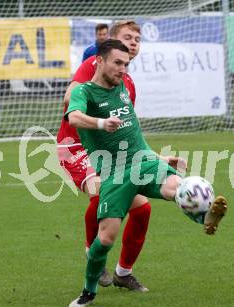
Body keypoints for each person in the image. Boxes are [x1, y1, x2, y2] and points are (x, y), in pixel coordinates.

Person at [65, 39, 228, 307]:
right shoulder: (86, 92)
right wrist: (101, 123)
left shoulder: (124, 88)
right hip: (114, 174)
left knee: (179, 185)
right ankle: (88, 291)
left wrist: (160, 158)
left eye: (126, 64)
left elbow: (134, 134)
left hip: (143, 161)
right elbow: (74, 117)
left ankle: (205, 215)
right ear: (100, 61)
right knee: (105, 239)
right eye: (117, 63)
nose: (122, 69)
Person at [57, 20, 150, 292]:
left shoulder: (127, 82)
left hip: (107, 151)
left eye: (137, 39)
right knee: (99, 194)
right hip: (75, 147)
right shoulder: (94, 66)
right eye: (126, 37)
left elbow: (125, 130)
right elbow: (68, 101)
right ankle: (93, 255)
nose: (133, 42)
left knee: (143, 209)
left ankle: (124, 272)